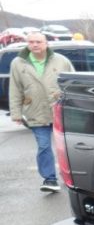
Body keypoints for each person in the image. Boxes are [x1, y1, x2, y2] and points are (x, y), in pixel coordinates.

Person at [9, 31, 75, 192]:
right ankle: (50, 179)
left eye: (38, 42)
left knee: (67, 147)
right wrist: (16, 113)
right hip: (35, 111)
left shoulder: (61, 60)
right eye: (31, 42)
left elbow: (73, 83)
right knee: (44, 146)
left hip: (60, 110)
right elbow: (15, 89)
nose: (35, 45)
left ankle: (72, 178)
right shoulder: (18, 63)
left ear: (46, 44)